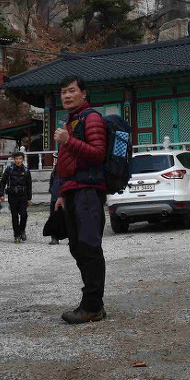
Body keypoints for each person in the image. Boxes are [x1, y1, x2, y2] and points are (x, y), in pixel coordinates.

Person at [54, 75, 107, 324]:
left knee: (89, 246)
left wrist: (69, 141)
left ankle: (92, 306)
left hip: (88, 191)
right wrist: (62, 194)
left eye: (71, 91)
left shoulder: (91, 118)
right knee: (77, 246)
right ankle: (92, 304)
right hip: (74, 191)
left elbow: (98, 154)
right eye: (63, 92)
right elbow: (68, 164)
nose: (66, 95)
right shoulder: (71, 121)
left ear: (84, 94)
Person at [0, 150, 32, 244]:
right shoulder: (9, 169)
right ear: (14, 160)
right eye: (16, 159)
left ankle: (22, 231)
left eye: (20, 159)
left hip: (23, 195)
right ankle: (16, 235)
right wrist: (1, 194)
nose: (18, 161)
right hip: (12, 195)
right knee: (14, 216)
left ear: (23, 160)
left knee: (24, 214)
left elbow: (29, 185)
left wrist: (29, 198)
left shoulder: (26, 170)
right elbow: (3, 182)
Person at [48, 156, 61, 245]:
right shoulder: (54, 171)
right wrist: (52, 190)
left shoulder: (67, 169)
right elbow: (51, 182)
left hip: (65, 197)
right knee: (53, 218)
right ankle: (54, 237)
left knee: (68, 218)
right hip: (54, 197)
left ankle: (71, 237)